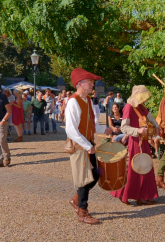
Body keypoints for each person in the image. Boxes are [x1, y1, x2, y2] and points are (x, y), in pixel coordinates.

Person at [111, 85, 160, 205]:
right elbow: (124, 127)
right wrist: (137, 131)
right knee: (135, 168)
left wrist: (157, 127)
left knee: (145, 167)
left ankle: (142, 195)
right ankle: (124, 194)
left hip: (143, 142)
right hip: (135, 142)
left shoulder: (141, 106)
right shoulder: (128, 107)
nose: (145, 100)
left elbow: (150, 118)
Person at [66, 68, 102, 225]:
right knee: (83, 179)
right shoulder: (73, 101)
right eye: (90, 81)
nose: (92, 84)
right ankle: (83, 213)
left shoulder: (87, 100)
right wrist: (87, 145)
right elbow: (71, 129)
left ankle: (76, 200)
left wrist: (106, 130)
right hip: (80, 146)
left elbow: (92, 124)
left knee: (96, 174)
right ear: (80, 83)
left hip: (88, 145)